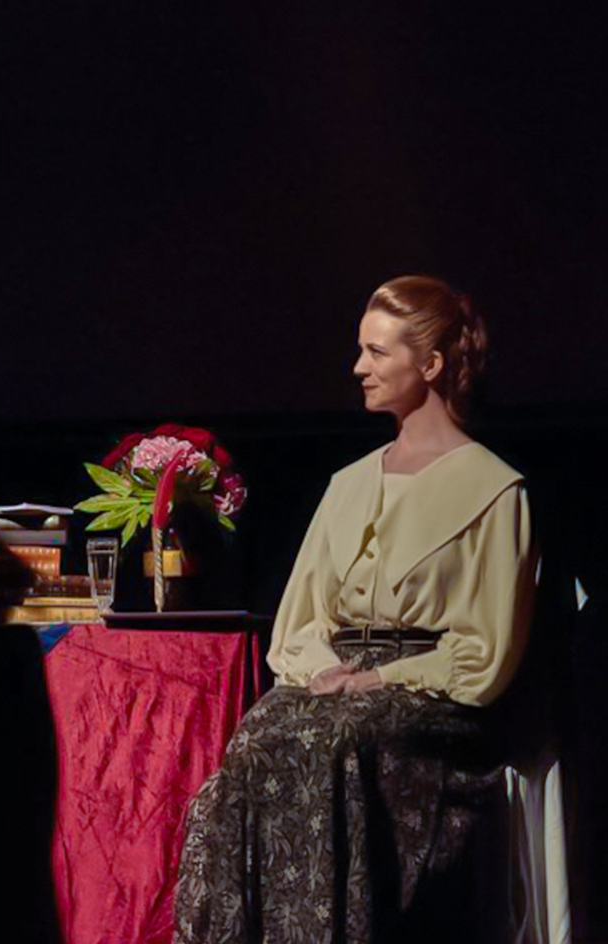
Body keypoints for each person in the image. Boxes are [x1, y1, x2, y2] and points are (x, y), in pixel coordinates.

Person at [173, 276, 535, 941]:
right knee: (260, 735)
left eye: (375, 353)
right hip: (339, 676)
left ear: (428, 366)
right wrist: (321, 670)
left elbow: (486, 649)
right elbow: (304, 616)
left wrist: (378, 679)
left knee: (333, 741)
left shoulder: (493, 490)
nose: (358, 368)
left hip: (433, 695)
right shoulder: (349, 484)